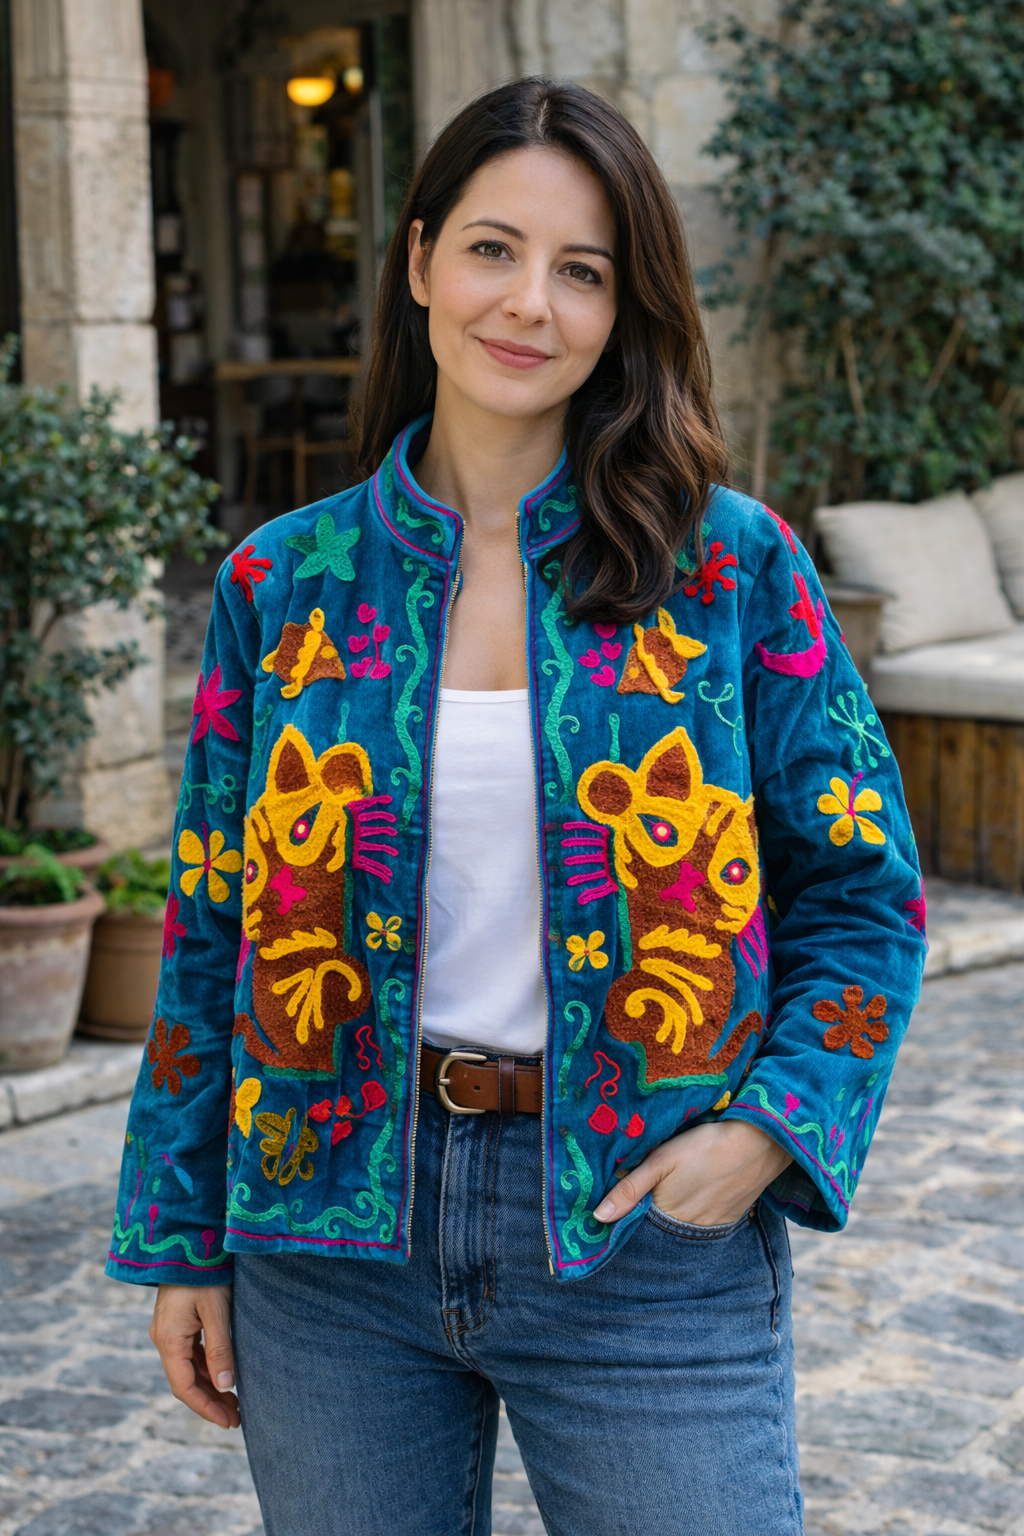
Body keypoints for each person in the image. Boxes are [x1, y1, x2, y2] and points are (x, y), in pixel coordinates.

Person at [107, 79, 926, 1536]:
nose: (530, 302)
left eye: (582, 270)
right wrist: (179, 1236)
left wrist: (768, 1132)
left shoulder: (728, 569)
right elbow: (209, 927)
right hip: (327, 1239)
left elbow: (867, 892)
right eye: (494, 249)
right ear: (421, 260)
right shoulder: (280, 584)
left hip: (639, 1233)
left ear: (624, 309)